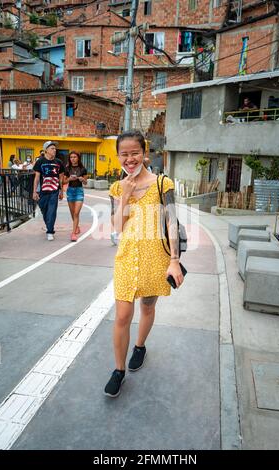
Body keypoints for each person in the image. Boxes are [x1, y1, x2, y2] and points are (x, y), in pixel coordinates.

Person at [104, 130, 184, 398]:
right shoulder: (116, 187)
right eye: (124, 154)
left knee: (147, 306)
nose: (129, 159)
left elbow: (172, 221)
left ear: (144, 153)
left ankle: (140, 346)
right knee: (123, 315)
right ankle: (118, 370)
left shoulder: (163, 184)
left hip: (155, 259)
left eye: (134, 152)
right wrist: (125, 195)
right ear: (118, 157)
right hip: (126, 258)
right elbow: (116, 227)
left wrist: (174, 260)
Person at [32, 141, 65, 241]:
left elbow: (61, 178)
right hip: (43, 191)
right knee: (44, 210)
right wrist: (34, 191)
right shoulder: (40, 162)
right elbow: (37, 178)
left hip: (54, 191)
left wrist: (61, 191)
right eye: (52, 148)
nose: (54, 150)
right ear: (46, 150)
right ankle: (49, 225)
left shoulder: (59, 162)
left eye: (55, 149)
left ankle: (50, 231)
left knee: (52, 211)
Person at [63, 151, 87, 242]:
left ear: (78, 158)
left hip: (79, 191)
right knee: (73, 213)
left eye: (75, 157)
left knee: (76, 213)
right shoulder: (67, 168)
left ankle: (73, 233)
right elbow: (63, 182)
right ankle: (76, 226)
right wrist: (69, 179)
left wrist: (82, 179)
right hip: (70, 191)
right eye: (71, 157)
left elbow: (85, 182)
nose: (73, 159)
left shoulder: (83, 169)